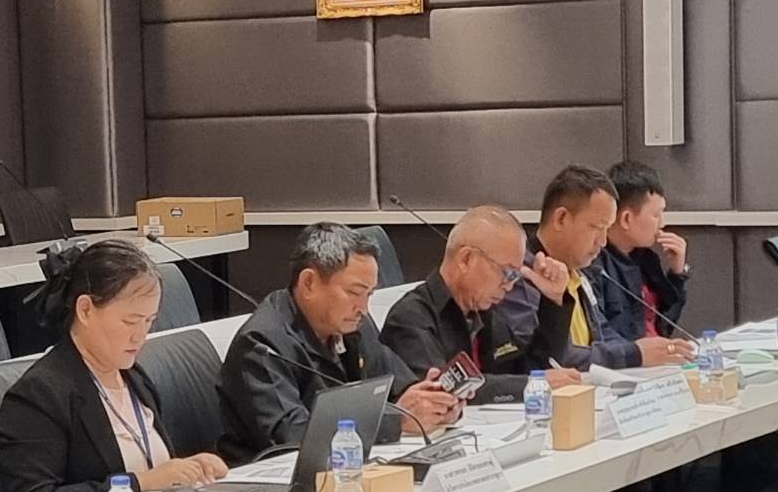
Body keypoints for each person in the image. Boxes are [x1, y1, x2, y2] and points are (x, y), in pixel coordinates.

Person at [0, 239, 228, 492]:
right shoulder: (39, 395)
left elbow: (152, 470)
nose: (140, 336)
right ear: (85, 310)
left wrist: (186, 469)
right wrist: (140, 483)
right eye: (130, 322)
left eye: (149, 321)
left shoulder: (136, 379)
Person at [217, 222, 458, 466]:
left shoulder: (352, 324)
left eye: (369, 294)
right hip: (271, 477)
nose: (363, 308)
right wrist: (395, 422)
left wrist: (434, 402)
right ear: (309, 282)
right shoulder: (262, 345)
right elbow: (291, 436)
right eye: (354, 293)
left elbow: (398, 384)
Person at [381, 206, 582, 404]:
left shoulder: (484, 312)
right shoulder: (410, 319)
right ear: (466, 259)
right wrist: (531, 383)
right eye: (507, 272)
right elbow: (444, 391)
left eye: (515, 276)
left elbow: (529, 369)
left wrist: (553, 301)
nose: (509, 286)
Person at [503, 164, 688, 371]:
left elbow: (603, 332)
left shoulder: (579, 273)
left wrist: (646, 349)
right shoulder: (522, 275)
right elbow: (554, 357)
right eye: (596, 228)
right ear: (561, 219)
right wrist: (634, 354)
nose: (602, 241)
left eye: (607, 230)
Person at [593, 160, 691, 345]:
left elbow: (664, 325)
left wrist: (677, 274)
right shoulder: (596, 266)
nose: (662, 224)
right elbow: (603, 338)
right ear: (626, 219)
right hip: (630, 359)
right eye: (656, 215)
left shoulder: (645, 259)